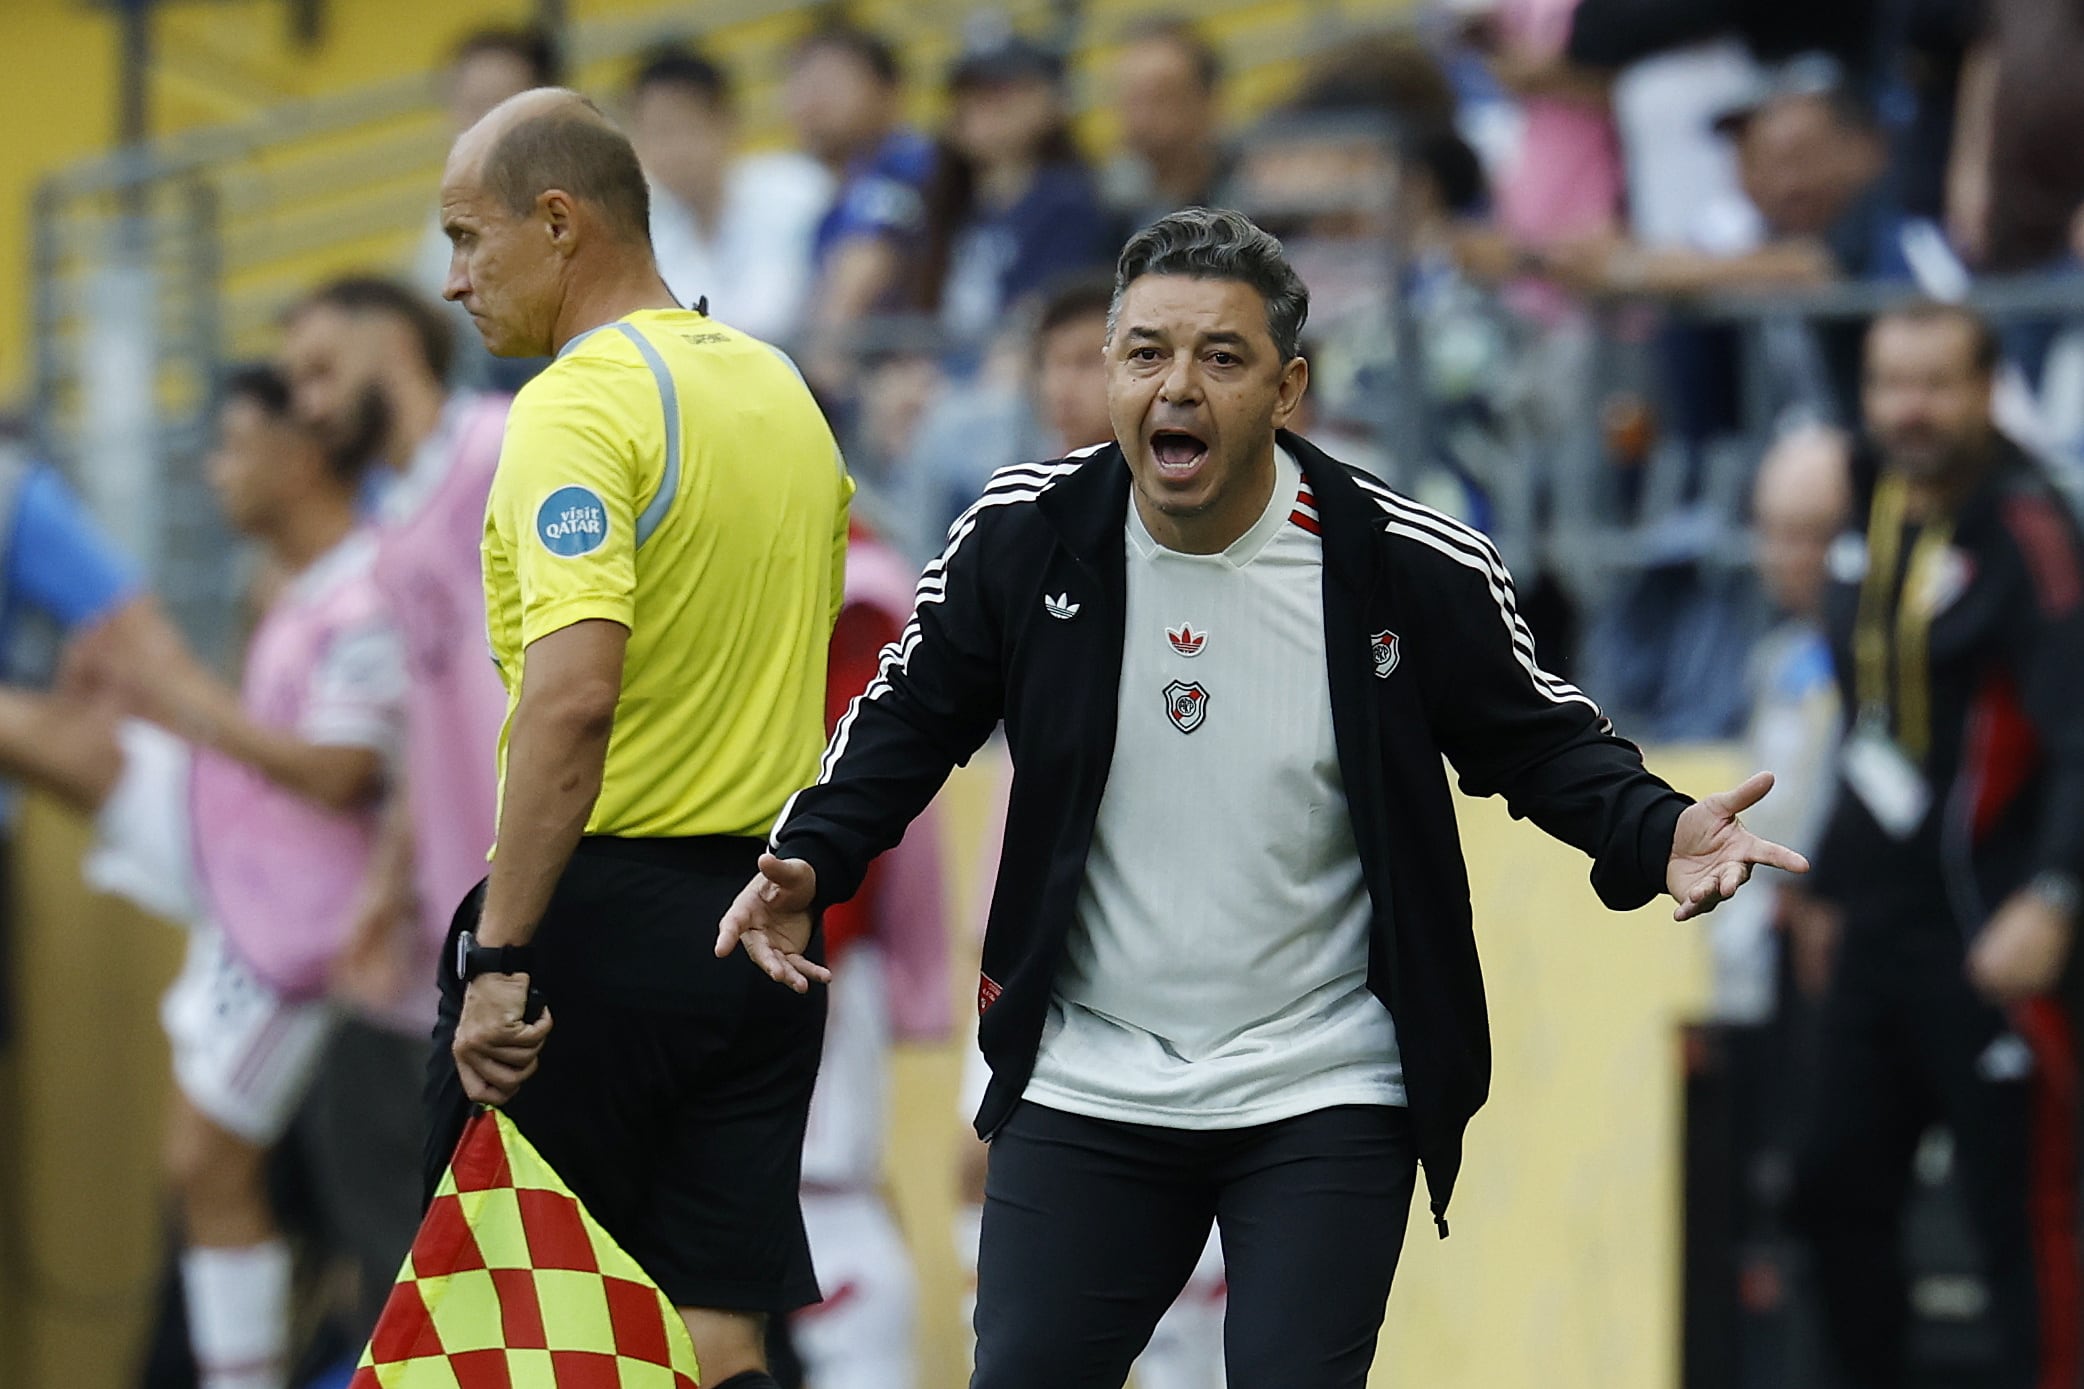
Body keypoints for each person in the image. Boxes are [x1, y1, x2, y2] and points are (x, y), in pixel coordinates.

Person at [719, 207, 1807, 1387]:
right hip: (1089, 1073)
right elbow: (904, 718)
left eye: (1219, 358)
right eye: (1144, 354)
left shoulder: (1403, 562)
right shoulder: (1023, 540)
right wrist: (811, 856)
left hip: (1319, 1081)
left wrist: (1659, 833)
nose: (1174, 387)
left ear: (1288, 390)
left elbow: (1539, 740)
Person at [426, 88, 852, 1389]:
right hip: (764, 924)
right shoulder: (781, 389)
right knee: (719, 1334)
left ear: (557, 222)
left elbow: (573, 699)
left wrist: (503, 951)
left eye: (466, 238)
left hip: (600, 925)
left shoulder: (574, 407)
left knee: (516, 1332)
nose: (452, 283)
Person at [84, 363, 405, 1389]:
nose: (214, 471)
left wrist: (179, 692)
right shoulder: (293, 589)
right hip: (256, 895)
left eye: (230, 446)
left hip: (311, 935)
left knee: (212, 1165)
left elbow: (339, 770)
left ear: (300, 455)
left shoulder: (364, 589)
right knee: (204, 1168)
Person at [1788, 300, 2084, 1389]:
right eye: (1887, 386)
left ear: (1983, 389)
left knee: (2019, 1215)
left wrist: (2053, 897)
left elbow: (2077, 732)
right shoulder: (1870, 509)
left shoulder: (2028, 528)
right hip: (1879, 929)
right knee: (1828, 1187)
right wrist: (1822, 881)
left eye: (1933, 384)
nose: (1907, 411)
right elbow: (1877, 722)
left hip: (1993, 927)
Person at [279, 275, 510, 1018]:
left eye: (323, 371)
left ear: (398, 344)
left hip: (566, 896)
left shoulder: (507, 447)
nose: (310, 407)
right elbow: (426, 725)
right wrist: (387, 886)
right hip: (473, 924)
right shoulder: (389, 530)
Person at [787, 518, 950, 1389]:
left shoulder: (854, 583)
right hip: (775, 943)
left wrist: (812, 934)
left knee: (831, 1219)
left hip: (808, 954)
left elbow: (852, 798)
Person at [1711, 425, 1853, 1021]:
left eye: (1806, 535)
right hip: (1767, 945)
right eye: (1771, 532)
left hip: (1842, 933)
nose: (1782, 555)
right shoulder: (1776, 658)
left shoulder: (1876, 656)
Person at [915, 33, 1113, 355]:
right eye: (970, 92)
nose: (984, 106)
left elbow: (1052, 307)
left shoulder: (1069, 201)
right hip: (948, 370)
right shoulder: (948, 206)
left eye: (1002, 90)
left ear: (1048, 100)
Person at [626, 46, 833, 344]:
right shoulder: (647, 236)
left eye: (683, 128)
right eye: (657, 133)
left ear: (725, 121)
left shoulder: (800, 191)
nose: (672, 152)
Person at [410, 25, 563, 392]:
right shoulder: (437, 242)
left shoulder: (599, 206)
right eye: (472, 104)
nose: (486, 123)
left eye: (504, 103)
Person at [786, 24, 936, 371]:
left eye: (830, 82)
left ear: (888, 90)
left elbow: (854, 288)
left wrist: (817, 371)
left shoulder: (905, 164)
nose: (811, 100)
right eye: (801, 82)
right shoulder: (832, 205)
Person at [1099, 19, 1233, 238]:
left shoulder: (1255, 202)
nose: (1141, 119)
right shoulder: (1103, 210)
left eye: (1160, 99)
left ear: (1207, 102)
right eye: (1132, 100)